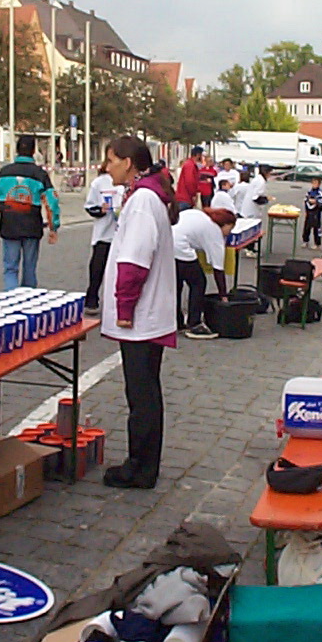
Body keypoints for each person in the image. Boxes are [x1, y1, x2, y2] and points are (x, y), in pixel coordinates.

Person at [101, 136, 178, 489]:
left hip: (141, 318)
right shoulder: (144, 197)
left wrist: (125, 307)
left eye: (111, 160)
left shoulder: (143, 200)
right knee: (144, 392)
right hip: (146, 316)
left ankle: (141, 467)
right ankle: (143, 463)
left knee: (142, 395)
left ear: (128, 162)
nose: (107, 168)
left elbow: (134, 261)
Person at [0, 134, 60, 290]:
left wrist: (5, 209)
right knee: (30, 269)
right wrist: (53, 227)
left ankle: (11, 298)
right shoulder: (40, 174)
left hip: (9, 224)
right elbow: (52, 202)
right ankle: (29, 297)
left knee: (10, 268)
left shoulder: (4, 172)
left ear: (17, 150)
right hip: (32, 225)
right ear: (33, 151)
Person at [172, 207, 236, 338]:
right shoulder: (214, 232)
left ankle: (176, 320)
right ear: (225, 224)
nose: (229, 233)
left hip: (167, 242)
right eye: (230, 228)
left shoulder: (202, 216)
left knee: (177, 283)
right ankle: (194, 324)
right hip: (180, 247)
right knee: (198, 282)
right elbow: (218, 269)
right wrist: (223, 295)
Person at [84, 156, 123, 315]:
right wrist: (100, 210)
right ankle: (92, 299)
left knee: (120, 271)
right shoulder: (99, 183)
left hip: (122, 234)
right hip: (104, 234)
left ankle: (118, 302)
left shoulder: (127, 182)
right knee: (97, 269)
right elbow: (89, 206)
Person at [175, 145, 203, 211]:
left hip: (184, 197)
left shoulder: (189, 164)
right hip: (185, 198)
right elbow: (189, 181)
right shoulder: (190, 165)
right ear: (198, 155)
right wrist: (193, 194)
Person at [302, 177, 322, 249]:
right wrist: (306, 209)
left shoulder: (320, 192)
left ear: (319, 184)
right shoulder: (309, 192)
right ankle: (305, 241)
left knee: (316, 228)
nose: (314, 184)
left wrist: (316, 201)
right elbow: (306, 200)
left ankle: (317, 243)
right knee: (307, 227)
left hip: (316, 212)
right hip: (309, 212)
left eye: (316, 183)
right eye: (313, 183)